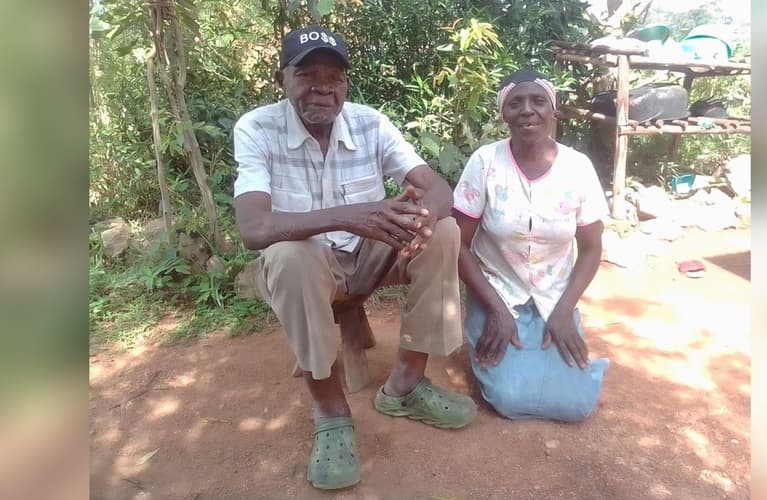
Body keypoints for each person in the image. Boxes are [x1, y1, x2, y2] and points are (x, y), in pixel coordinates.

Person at [232, 26, 476, 490]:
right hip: (309, 267)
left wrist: (422, 217)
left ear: (346, 84)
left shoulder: (371, 123)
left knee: (444, 230)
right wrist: (352, 215)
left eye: (335, 77)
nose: (323, 87)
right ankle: (330, 411)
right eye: (307, 74)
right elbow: (254, 228)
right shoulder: (257, 127)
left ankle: (405, 385)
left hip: (371, 256)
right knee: (289, 256)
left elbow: (438, 188)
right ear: (282, 78)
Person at [452, 69, 610, 422]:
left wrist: (564, 310)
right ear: (503, 113)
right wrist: (495, 309)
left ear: (552, 110)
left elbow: (591, 249)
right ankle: (489, 335)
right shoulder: (485, 163)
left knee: (576, 405)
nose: (527, 110)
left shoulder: (578, 168)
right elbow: (457, 245)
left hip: (555, 294)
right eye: (515, 103)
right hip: (495, 290)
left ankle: (546, 348)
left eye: (538, 101)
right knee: (509, 398)